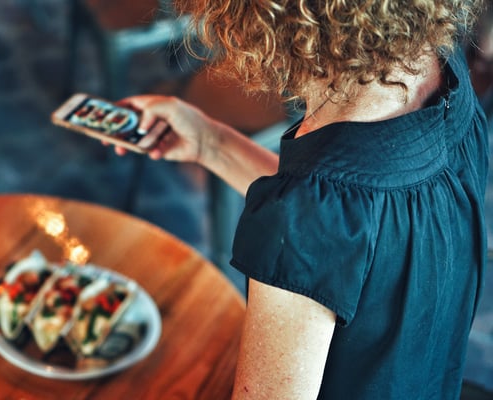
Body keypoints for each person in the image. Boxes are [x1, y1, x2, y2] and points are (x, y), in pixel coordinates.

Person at [110, 0, 489, 398]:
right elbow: (343, 219)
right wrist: (211, 142)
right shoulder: (442, 69)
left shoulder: (306, 213)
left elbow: (322, 220)